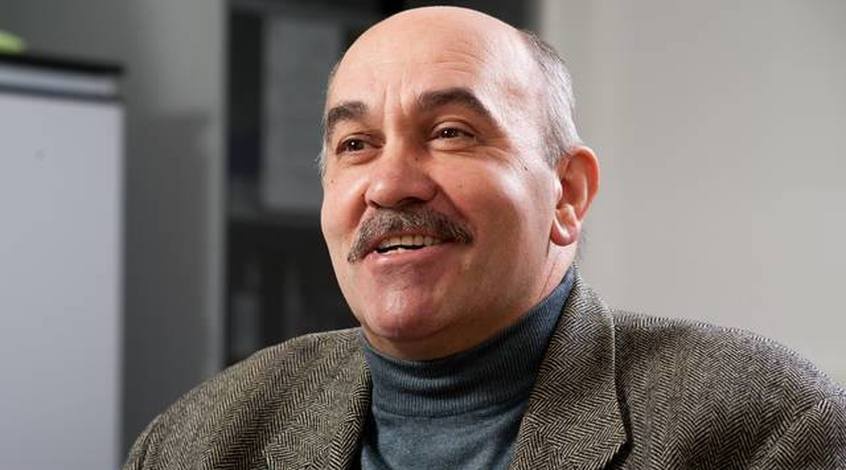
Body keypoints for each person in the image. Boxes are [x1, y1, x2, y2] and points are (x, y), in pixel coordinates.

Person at [124, 6, 846, 470]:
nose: (390, 184)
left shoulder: (764, 428)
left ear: (567, 193)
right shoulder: (200, 441)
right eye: (356, 145)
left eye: (450, 132)